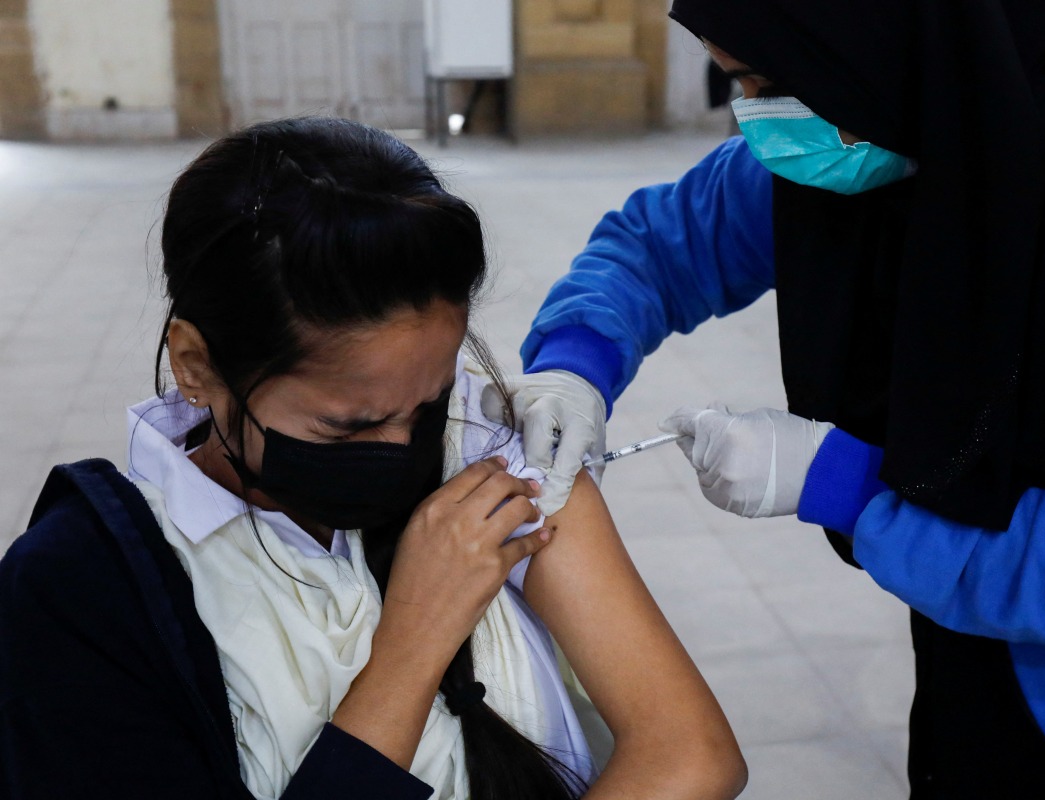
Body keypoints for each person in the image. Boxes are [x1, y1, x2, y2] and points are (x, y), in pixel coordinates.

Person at [490, 1, 1045, 798]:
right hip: (973, 647)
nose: (758, 118)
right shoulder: (896, 106)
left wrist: (841, 486)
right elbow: (661, 244)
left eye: (759, 79)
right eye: (736, 79)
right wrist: (575, 362)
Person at [0, 117, 747, 800]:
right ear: (197, 366)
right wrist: (415, 642)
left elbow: (691, 754)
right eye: (346, 425)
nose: (402, 449)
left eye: (428, 401)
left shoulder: (489, 460)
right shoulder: (83, 589)